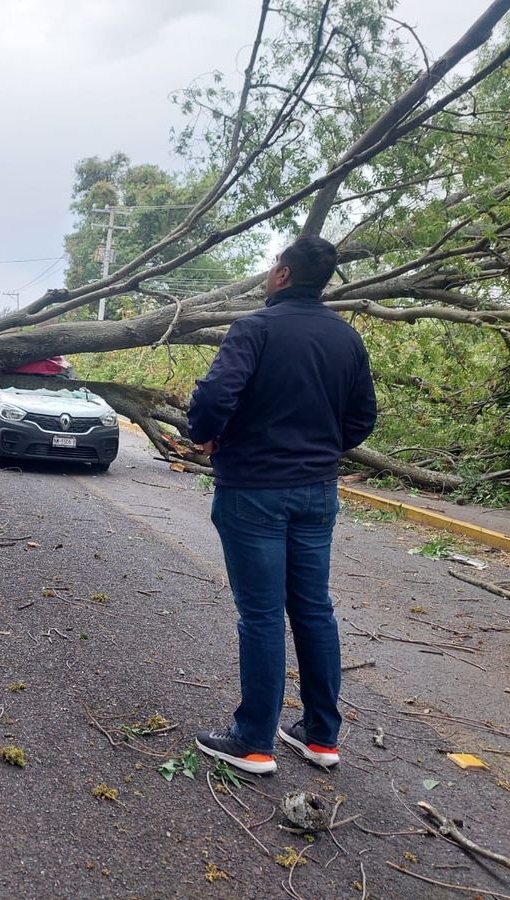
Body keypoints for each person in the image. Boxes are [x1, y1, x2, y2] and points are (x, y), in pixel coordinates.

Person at [188, 236, 377, 774]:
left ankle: (252, 741)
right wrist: (319, 450)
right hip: (318, 491)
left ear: (284, 275)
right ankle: (320, 735)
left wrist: (207, 435)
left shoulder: (255, 328)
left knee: (263, 613)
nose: (271, 272)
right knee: (314, 607)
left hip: (254, 490)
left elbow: (215, 395)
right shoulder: (346, 339)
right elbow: (363, 418)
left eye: (274, 265)